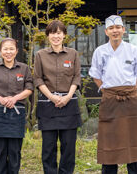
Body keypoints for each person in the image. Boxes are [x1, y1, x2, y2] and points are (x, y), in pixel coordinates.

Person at [89, 15, 137, 174]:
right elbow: (95, 75)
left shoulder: (133, 50)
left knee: (132, 139)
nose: (115, 31)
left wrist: (130, 90)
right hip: (110, 99)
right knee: (109, 140)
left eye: (118, 28)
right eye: (111, 28)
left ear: (123, 30)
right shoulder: (100, 51)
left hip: (130, 99)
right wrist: (106, 91)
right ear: (106, 31)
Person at [34, 20, 82, 174]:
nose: (56, 36)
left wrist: (68, 96)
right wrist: (52, 97)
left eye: (59, 33)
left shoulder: (73, 54)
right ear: (48, 36)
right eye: (53, 33)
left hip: (69, 104)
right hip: (48, 105)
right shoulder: (40, 55)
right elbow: (38, 79)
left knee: (68, 147)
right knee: (48, 147)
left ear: (64, 35)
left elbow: (76, 77)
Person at [0, 38, 33, 174]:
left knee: (15, 152)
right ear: (0, 51)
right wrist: (1, 99)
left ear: (16, 51)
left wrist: (15, 98)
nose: (8, 52)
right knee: (0, 152)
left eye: (11, 49)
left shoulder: (24, 68)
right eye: (5, 49)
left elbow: (29, 88)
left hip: (17, 113)